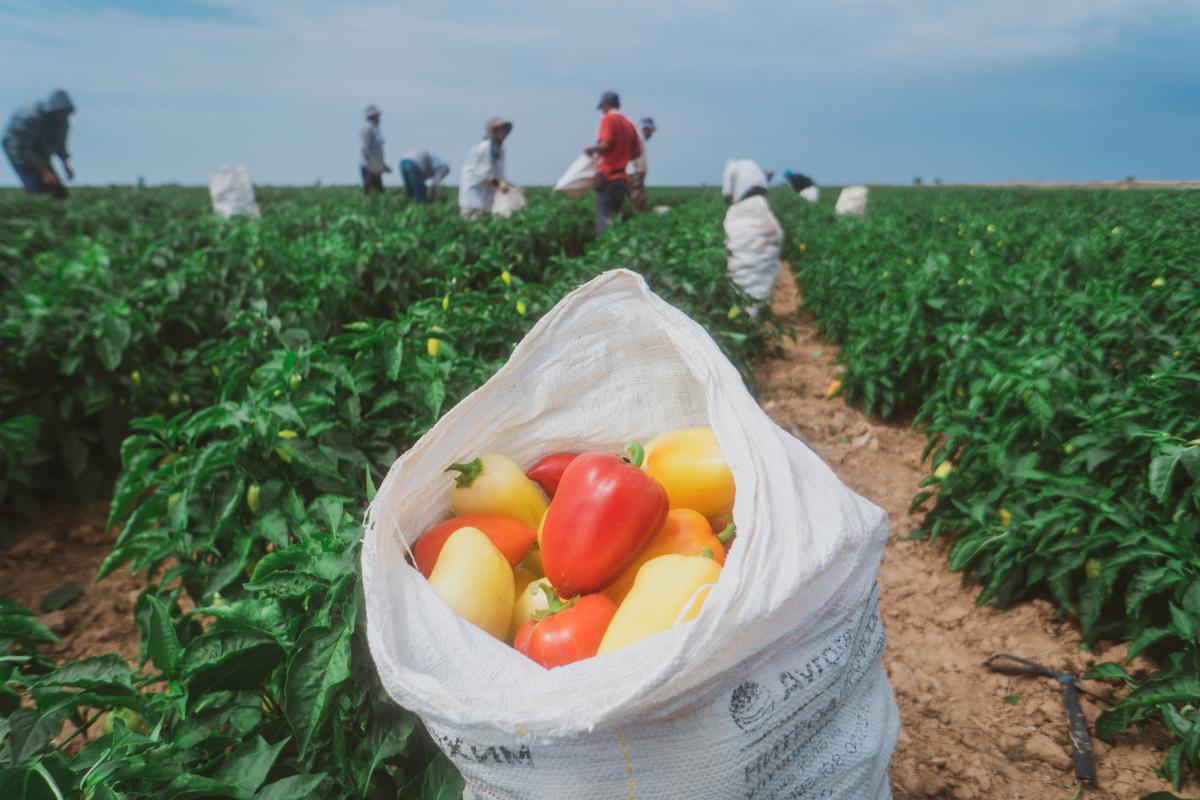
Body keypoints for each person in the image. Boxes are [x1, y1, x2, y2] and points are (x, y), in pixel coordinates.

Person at [3, 89, 76, 199]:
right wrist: (43, 171)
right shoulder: (29, 117)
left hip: (41, 152)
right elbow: (22, 149)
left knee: (58, 190)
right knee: (37, 188)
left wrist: (65, 164)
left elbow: (60, 143)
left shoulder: (62, 121)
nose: (63, 115)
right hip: (19, 152)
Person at [585, 91, 640, 233]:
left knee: (604, 221)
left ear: (606, 105)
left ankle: (603, 248)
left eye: (602, 107)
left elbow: (606, 145)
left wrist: (592, 150)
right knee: (615, 220)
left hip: (607, 177)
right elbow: (636, 153)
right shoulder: (629, 124)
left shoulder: (608, 120)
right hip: (622, 179)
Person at [460, 117, 512, 218]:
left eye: (504, 130)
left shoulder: (499, 149)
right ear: (493, 131)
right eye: (500, 130)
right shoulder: (484, 147)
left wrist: (509, 185)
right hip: (474, 195)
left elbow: (499, 174)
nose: (503, 133)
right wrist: (499, 184)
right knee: (472, 221)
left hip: (485, 195)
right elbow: (484, 175)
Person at [360, 104, 389, 195]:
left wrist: (382, 165)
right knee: (373, 195)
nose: (379, 117)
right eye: (377, 115)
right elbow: (365, 149)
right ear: (372, 116)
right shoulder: (367, 128)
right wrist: (372, 167)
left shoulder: (375, 128)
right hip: (370, 168)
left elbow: (377, 151)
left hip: (376, 167)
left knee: (379, 193)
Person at [628, 117, 655, 213]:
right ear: (647, 129)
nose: (652, 134)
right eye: (652, 131)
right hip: (635, 173)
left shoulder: (635, 136)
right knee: (637, 198)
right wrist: (639, 170)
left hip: (633, 172)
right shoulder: (638, 138)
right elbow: (635, 156)